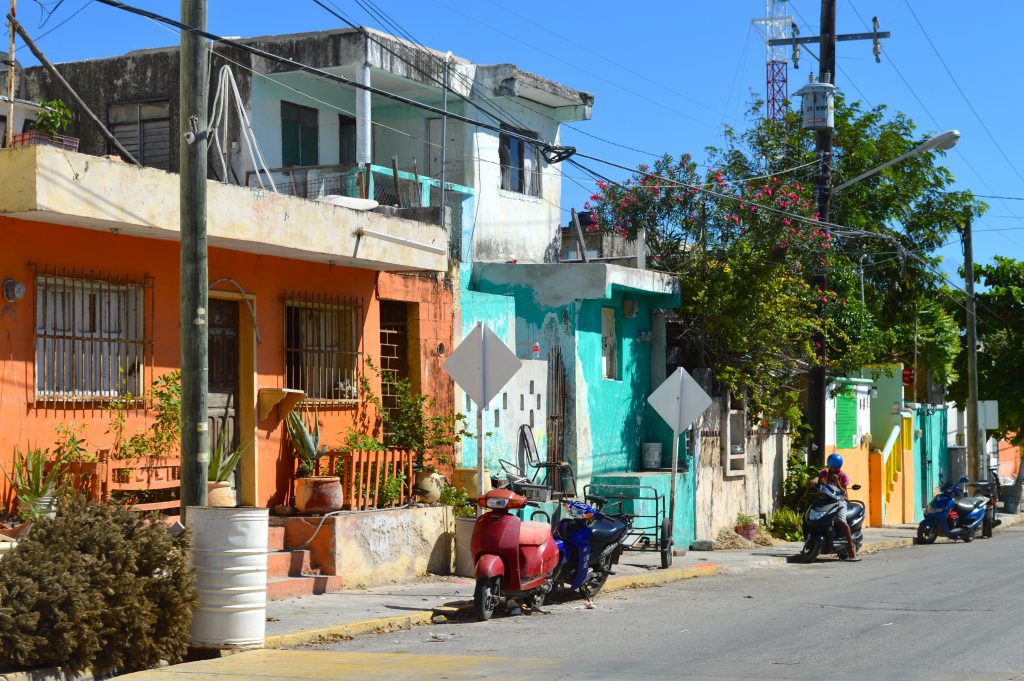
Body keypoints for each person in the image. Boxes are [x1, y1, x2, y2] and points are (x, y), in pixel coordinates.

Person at [818, 453, 860, 561]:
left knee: (841, 521)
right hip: (827, 500)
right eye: (832, 467)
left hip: (840, 501)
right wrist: (815, 480)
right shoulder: (825, 472)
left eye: (836, 468)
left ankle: (851, 548)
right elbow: (819, 476)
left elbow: (843, 491)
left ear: (840, 467)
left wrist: (837, 481)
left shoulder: (843, 476)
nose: (834, 470)